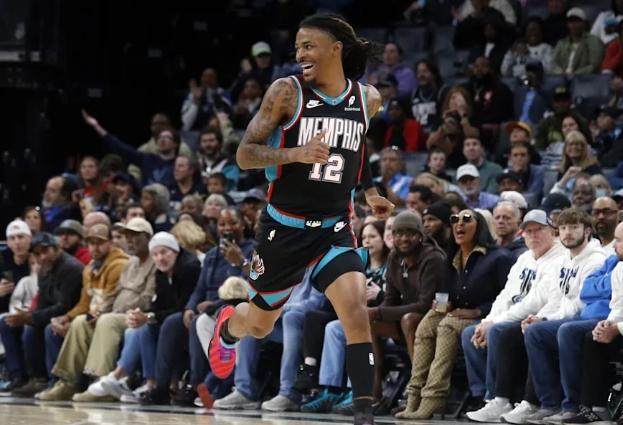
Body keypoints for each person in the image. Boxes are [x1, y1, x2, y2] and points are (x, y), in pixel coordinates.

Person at [207, 14, 394, 425]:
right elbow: (244, 154)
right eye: (297, 47)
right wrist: (296, 154)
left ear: (335, 49)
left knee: (355, 312)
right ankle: (228, 328)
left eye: (308, 46)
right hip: (284, 228)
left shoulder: (368, 99)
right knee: (259, 324)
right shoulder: (286, 92)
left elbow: (355, 148)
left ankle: (364, 410)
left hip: (334, 228)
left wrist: (369, 192)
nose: (300, 54)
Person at [396, 209, 513, 419]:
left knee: (447, 326)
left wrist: (478, 311)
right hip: (457, 313)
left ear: (480, 226)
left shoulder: (498, 257)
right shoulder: (452, 256)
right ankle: (414, 396)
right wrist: (442, 305)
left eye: (467, 219)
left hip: (486, 317)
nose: (459, 224)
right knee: (425, 326)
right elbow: (445, 293)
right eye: (455, 220)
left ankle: (434, 397)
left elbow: (509, 298)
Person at [461, 209, 566, 422]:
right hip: (512, 316)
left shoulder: (560, 257)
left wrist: (495, 322)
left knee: (498, 331)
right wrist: (488, 320)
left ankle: (499, 398)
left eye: (539, 230)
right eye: (529, 231)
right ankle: (484, 398)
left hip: (537, 317)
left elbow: (535, 301)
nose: (534, 235)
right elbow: (505, 295)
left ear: (552, 232)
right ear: (522, 234)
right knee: (470, 333)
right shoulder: (524, 258)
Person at [36, 218, 157, 401]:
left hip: (136, 315)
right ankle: (68, 381)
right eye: (127, 236)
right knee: (81, 321)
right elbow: (114, 294)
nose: (129, 240)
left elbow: (148, 299)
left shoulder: (153, 262)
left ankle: (101, 383)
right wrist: (99, 312)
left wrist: (111, 313)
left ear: (148, 237)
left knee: (107, 321)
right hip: (116, 314)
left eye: (134, 235)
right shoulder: (131, 263)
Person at [88, 232, 200, 403]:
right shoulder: (161, 273)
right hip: (170, 318)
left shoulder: (189, 267)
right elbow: (159, 304)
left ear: (175, 251)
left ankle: (130, 378)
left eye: (164, 252)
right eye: (155, 254)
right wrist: (142, 315)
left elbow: (182, 307)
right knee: (143, 328)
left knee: (164, 323)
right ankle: (149, 383)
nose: (160, 258)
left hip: (189, 316)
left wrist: (149, 316)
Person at [0, 232, 83, 396]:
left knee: (35, 328)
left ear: (56, 248)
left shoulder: (71, 268)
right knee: (6, 322)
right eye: (37, 254)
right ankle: (19, 377)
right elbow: (44, 301)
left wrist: (31, 318)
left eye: (46, 251)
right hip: (52, 314)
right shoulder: (44, 268)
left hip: (71, 316)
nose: (42, 257)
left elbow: (65, 306)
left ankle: (45, 379)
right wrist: (29, 315)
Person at [551, 8, 605, 76]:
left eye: (577, 21)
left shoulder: (594, 41)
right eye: (571, 21)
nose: (573, 24)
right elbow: (554, 63)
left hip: (584, 79)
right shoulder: (561, 43)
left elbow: (595, 65)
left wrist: (574, 75)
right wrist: (561, 73)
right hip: (562, 78)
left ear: (584, 23)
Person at [0, 220, 32, 314]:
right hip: (6, 310)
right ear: (8, 242)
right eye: (12, 238)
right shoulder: (2, 259)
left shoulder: (39, 258)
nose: (17, 242)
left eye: (20, 237)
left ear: (30, 239)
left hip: (32, 309)